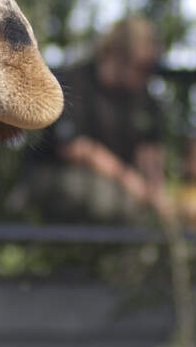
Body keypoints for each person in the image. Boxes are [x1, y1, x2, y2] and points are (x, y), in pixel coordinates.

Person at [18, 16, 165, 224]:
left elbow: (149, 148)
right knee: (107, 198)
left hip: (121, 188)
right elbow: (74, 147)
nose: (146, 76)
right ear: (117, 55)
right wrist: (130, 182)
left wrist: (156, 191)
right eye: (141, 67)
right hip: (58, 176)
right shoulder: (73, 81)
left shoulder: (144, 98)